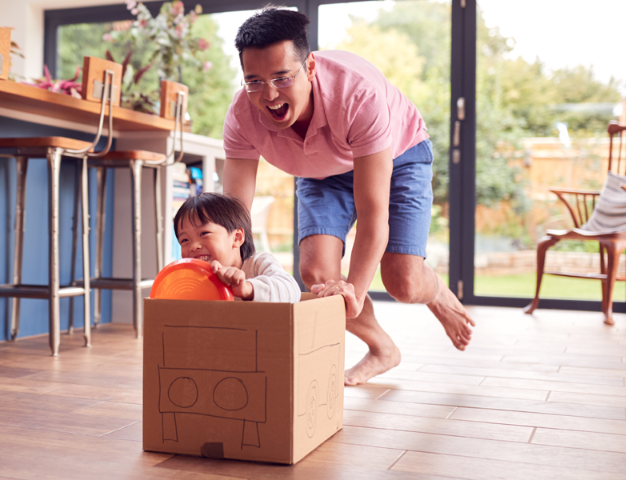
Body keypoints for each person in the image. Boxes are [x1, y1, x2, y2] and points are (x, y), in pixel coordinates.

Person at [220, 8, 476, 385]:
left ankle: (435, 290)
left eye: (282, 78)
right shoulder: (242, 116)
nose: (269, 95)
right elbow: (233, 218)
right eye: (254, 81)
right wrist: (226, 273)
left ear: (309, 68)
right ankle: (382, 348)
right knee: (317, 275)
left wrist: (354, 288)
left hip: (398, 153)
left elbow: (373, 214)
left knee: (403, 282)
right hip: (322, 172)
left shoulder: (357, 95)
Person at [174, 192, 300, 304]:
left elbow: (291, 290)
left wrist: (248, 288)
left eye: (204, 233)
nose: (193, 246)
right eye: (184, 240)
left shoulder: (257, 264)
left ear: (236, 238)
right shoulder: (190, 281)